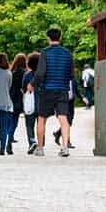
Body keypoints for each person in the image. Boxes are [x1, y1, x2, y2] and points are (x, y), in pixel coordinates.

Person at [33, 27, 74, 157]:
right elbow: (71, 74)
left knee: (41, 118)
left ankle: (40, 148)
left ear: (48, 38)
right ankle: (65, 147)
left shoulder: (44, 52)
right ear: (60, 37)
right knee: (63, 118)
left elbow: (40, 73)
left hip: (47, 90)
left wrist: (32, 84)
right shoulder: (68, 53)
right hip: (62, 90)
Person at [53, 71, 81, 149]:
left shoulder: (73, 80)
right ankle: (67, 142)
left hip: (71, 103)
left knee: (70, 121)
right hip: (62, 102)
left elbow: (77, 91)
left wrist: (82, 98)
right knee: (67, 122)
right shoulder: (60, 80)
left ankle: (58, 133)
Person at [22, 52, 40, 153]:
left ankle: (32, 142)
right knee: (40, 124)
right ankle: (40, 144)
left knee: (29, 124)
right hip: (41, 103)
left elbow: (23, 88)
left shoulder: (27, 75)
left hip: (30, 103)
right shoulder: (43, 75)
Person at [8, 53, 27, 146]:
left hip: (10, 96)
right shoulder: (24, 73)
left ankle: (6, 134)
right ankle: (10, 136)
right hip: (19, 97)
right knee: (15, 119)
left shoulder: (11, 72)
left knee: (12, 117)